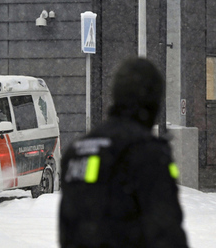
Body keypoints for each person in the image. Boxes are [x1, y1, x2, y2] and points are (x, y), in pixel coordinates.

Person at [59, 57, 189, 248]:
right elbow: (166, 232)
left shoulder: (77, 149)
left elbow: (68, 228)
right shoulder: (147, 151)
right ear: (153, 101)